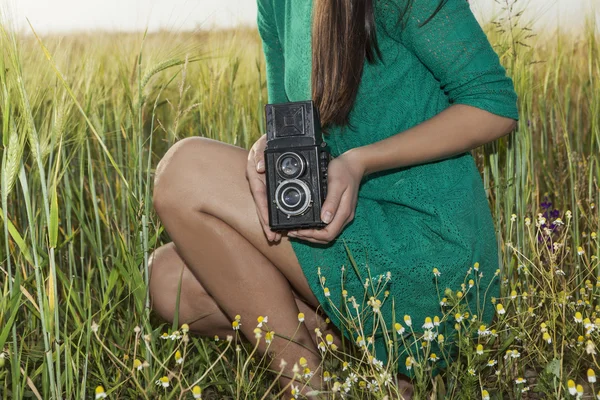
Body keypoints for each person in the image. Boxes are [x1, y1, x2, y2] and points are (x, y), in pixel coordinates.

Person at [148, 0, 519, 397]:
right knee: (168, 280)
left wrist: (361, 162)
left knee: (182, 171)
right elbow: (293, 123)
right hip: (343, 222)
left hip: (430, 244)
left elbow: (493, 105)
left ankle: (302, 382)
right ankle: (365, 357)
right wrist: (269, 152)